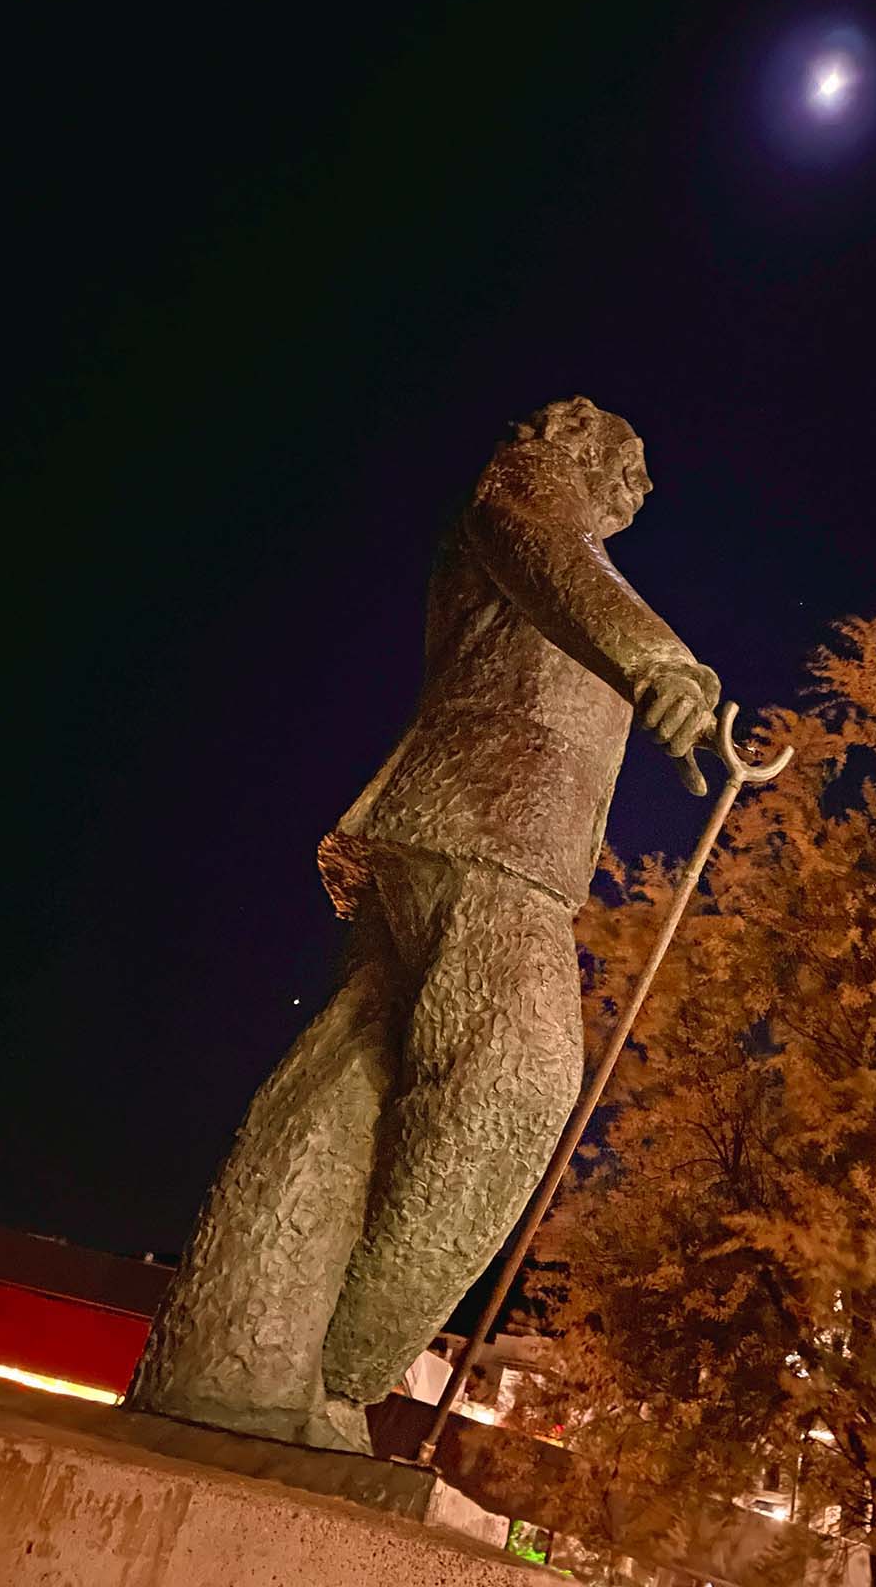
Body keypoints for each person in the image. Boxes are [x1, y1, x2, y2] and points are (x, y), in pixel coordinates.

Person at [128, 395, 720, 1451]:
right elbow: (548, 555)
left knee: (347, 1081)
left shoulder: (590, 568)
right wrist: (661, 663)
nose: (637, 491)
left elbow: (575, 607)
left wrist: (656, 694)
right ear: (582, 454)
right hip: (480, 835)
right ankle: (344, 1368)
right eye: (624, 469)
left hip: (486, 839)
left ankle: (234, 1368)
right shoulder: (527, 491)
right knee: (521, 1079)